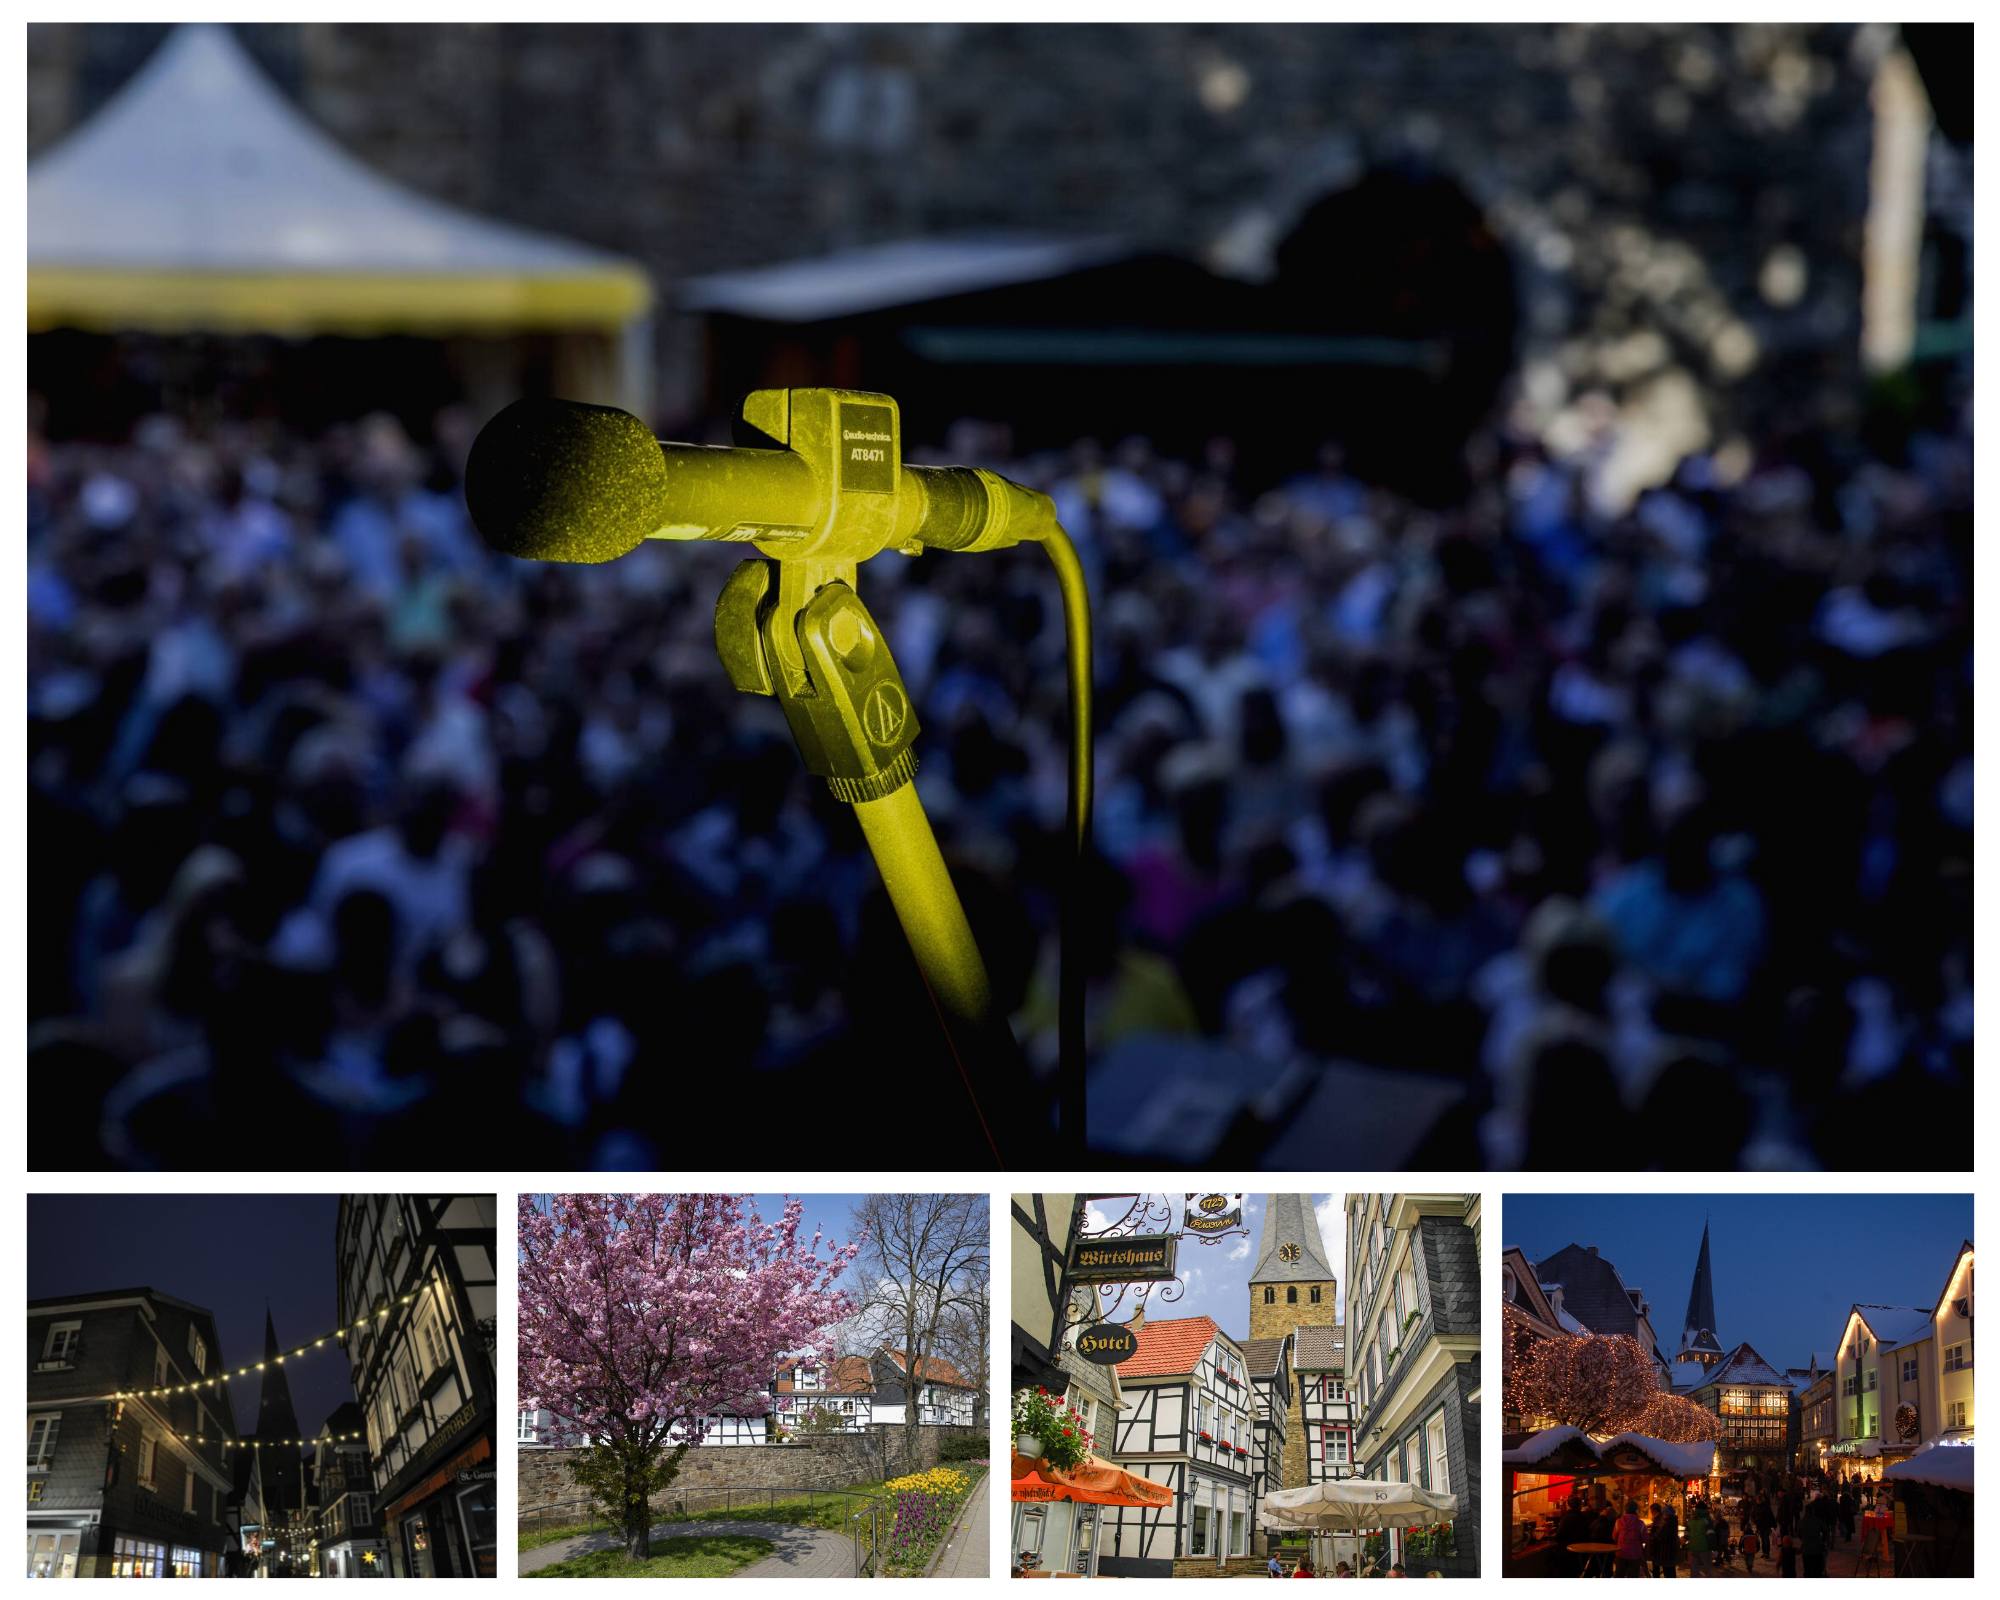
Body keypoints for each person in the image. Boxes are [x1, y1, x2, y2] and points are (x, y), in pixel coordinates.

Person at [1613, 1498, 1647, 1577]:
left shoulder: (1618, 1521)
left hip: (1620, 1552)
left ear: (1625, 1510)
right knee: (1633, 1575)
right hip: (1635, 1554)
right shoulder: (1640, 1524)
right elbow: (1645, 1539)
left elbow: (1614, 1537)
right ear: (1636, 1510)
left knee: (1619, 1575)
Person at [1647, 1500, 1679, 1578]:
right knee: (1670, 1570)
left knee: (1668, 1571)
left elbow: (1660, 1535)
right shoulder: (1672, 1521)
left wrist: (1652, 1537)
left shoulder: (1667, 1522)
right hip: (1669, 1551)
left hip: (1665, 1551)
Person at [1684, 1501, 1712, 1578]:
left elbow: (1686, 1533)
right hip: (1705, 1548)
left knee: (1694, 1570)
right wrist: (1714, 1547)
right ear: (1705, 1509)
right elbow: (1711, 1534)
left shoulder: (1691, 1519)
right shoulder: (1707, 1519)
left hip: (1693, 1547)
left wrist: (1686, 1544)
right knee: (1707, 1569)